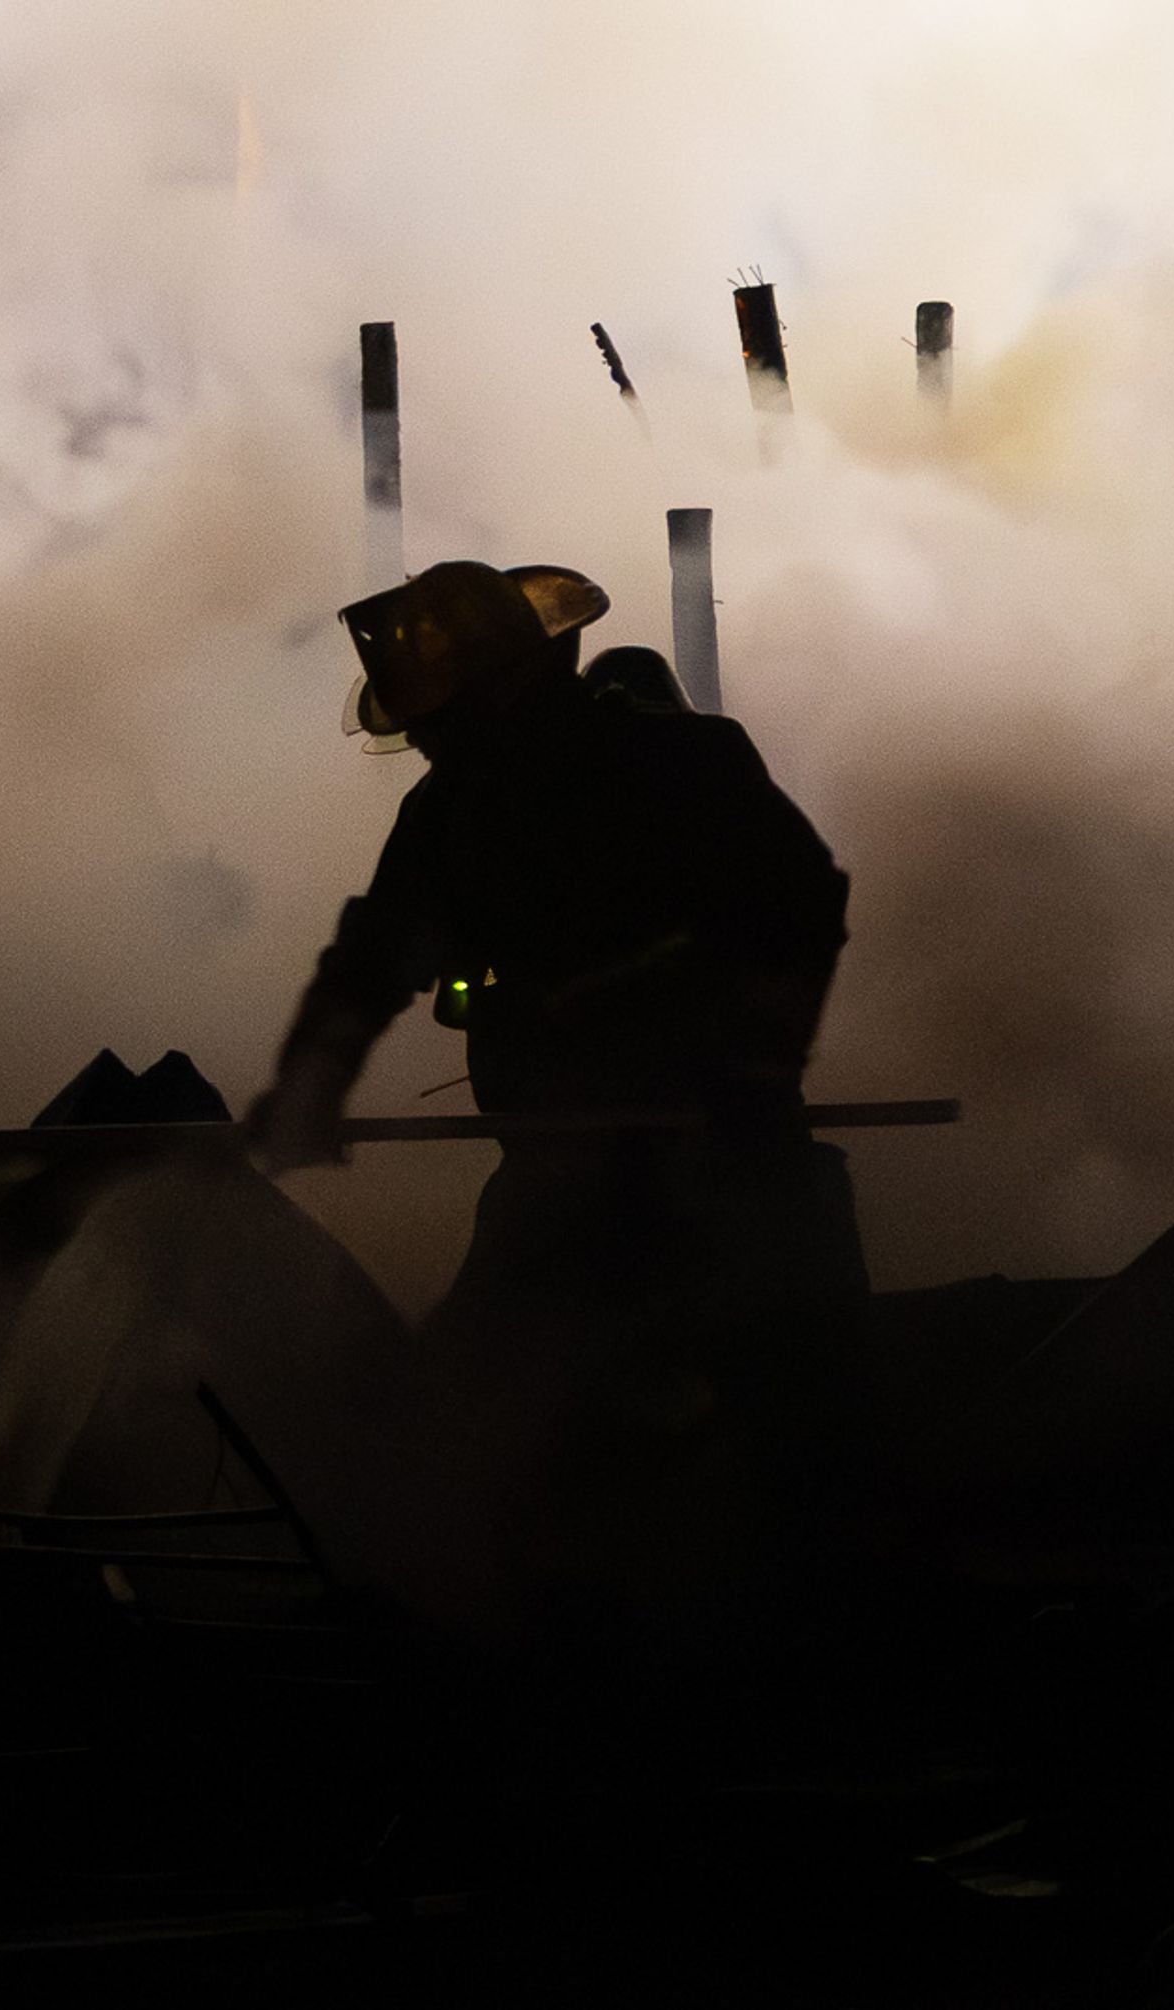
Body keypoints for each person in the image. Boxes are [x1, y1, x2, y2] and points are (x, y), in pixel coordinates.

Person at [244, 560, 857, 1595]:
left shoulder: (688, 768)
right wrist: (311, 1082)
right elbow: (372, 962)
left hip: (725, 1163)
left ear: (509, 691)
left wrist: (749, 1061)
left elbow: (797, 904)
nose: (431, 745)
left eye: (444, 721)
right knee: (480, 1412)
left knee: (785, 1435)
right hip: (558, 1171)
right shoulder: (449, 817)